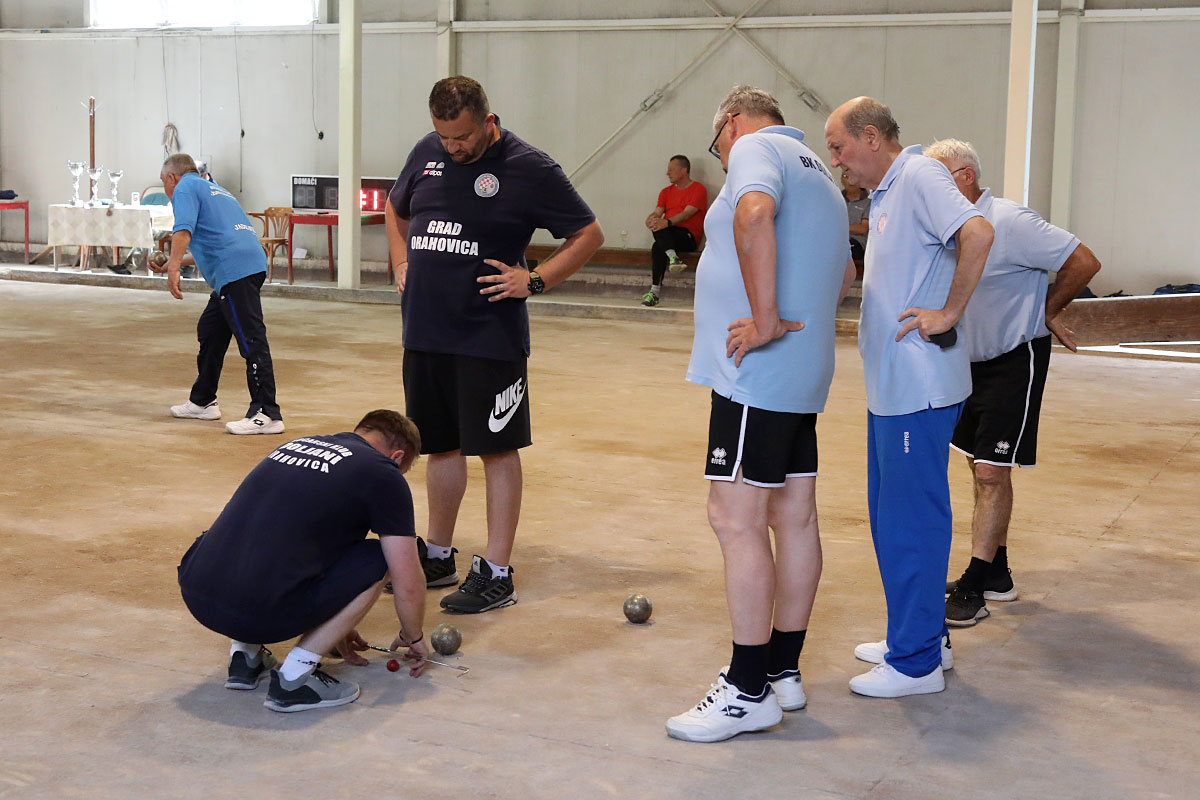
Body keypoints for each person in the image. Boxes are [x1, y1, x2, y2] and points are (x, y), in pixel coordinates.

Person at [665, 86, 856, 743]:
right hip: (802, 372)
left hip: (757, 374)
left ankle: (747, 690)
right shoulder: (820, 173)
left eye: (717, 145)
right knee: (793, 515)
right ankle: (781, 670)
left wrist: (768, 319)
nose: (722, 158)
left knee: (734, 517)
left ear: (732, 122)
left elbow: (752, 215)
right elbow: (845, 273)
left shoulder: (755, 150)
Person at [385, 76, 604, 613]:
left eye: (461, 137)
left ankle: (498, 572)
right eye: (444, 137)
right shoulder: (428, 150)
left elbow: (588, 234)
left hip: (488, 337)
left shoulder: (531, 167)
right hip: (425, 331)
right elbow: (396, 207)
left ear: (488, 121)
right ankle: (439, 554)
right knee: (439, 445)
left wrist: (535, 280)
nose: (452, 147)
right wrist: (401, 259)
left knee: (497, 449)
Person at [824, 97, 994, 698]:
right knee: (892, 516)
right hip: (893, 388)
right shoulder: (887, 192)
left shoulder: (920, 175)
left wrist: (948, 312)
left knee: (910, 523)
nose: (836, 160)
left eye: (839, 147)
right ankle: (921, 635)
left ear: (872, 137)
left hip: (918, 388)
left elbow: (978, 232)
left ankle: (915, 662)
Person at [924, 138, 1101, 627]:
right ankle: (997, 573)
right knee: (978, 463)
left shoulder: (1010, 221)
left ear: (964, 177)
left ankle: (975, 584)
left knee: (991, 471)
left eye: (937, 178)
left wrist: (1048, 309)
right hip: (967, 363)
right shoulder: (949, 228)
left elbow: (1084, 261)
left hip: (1013, 359)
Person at [177, 410, 431, 713]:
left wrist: (334, 618)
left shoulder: (295, 445)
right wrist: (413, 635)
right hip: (256, 613)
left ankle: (245, 657)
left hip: (197, 592)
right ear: (398, 457)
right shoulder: (383, 472)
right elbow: (407, 578)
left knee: (255, 535)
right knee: (380, 557)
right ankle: (294, 679)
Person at [152, 154, 284, 435]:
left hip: (234, 270)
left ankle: (267, 413)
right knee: (211, 330)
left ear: (172, 177)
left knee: (251, 340)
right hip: (247, 263)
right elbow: (215, 242)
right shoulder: (215, 189)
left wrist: (173, 268)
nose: (165, 188)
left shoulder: (184, 188)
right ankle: (203, 401)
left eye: (163, 181)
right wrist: (174, 262)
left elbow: (183, 231)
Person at [641, 155, 707, 307]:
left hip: (688, 236)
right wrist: (651, 219)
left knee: (660, 234)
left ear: (684, 170)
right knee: (657, 245)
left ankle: (657, 287)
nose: (667, 173)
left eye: (671, 169)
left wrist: (667, 222)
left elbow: (687, 213)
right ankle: (656, 288)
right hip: (668, 235)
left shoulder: (698, 189)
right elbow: (658, 212)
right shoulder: (666, 192)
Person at [842, 171, 870, 273]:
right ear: (842, 180)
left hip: (857, 244)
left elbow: (863, 228)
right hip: (838, 239)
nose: (849, 181)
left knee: (843, 246)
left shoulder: (869, 201)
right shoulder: (837, 198)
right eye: (845, 176)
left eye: (853, 176)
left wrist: (840, 228)